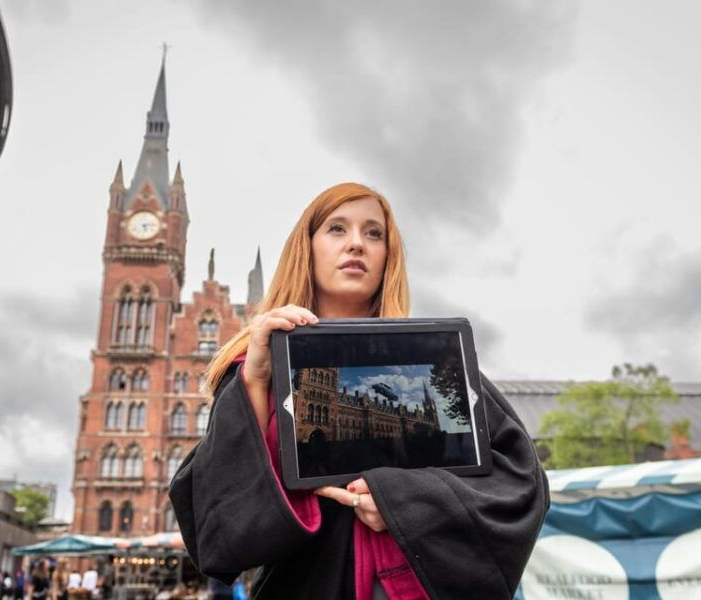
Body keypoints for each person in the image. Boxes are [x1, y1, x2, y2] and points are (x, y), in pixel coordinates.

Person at [169, 182, 550, 599]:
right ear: (307, 247)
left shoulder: (436, 361)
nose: (356, 243)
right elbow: (218, 530)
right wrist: (257, 381)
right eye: (337, 229)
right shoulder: (253, 371)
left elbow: (522, 482)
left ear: (389, 256)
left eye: (373, 233)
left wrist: (402, 503)